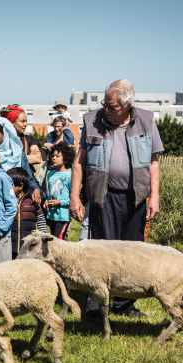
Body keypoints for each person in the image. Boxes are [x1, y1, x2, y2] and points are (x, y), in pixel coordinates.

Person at [70, 78, 164, 318]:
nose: (106, 109)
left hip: (136, 197)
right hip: (104, 195)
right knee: (101, 252)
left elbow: (154, 162)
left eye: (112, 106)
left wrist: (155, 197)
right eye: (105, 103)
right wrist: (75, 197)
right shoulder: (92, 121)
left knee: (131, 253)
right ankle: (94, 307)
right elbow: (79, 163)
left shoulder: (146, 120)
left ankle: (124, 305)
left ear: (128, 104)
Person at [0, 117, 44, 205]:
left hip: (19, 200)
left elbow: (28, 177)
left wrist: (36, 189)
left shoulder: (19, 154)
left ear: (5, 133)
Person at [7, 167, 47, 259]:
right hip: (10, 247)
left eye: (9, 184)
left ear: (20, 186)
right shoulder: (7, 201)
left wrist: (42, 236)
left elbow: (41, 219)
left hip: (28, 248)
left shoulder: (32, 201)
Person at [43, 142, 75, 240]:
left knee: (58, 241)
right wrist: (46, 202)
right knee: (53, 241)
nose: (53, 158)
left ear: (65, 158)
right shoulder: (49, 174)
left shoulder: (70, 175)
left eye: (57, 156)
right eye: (52, 155)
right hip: (52, 215)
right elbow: (49, 193)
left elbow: (73, 198)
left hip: (63, 216)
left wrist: (59, 202)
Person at [0, 104, 42, 170]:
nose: (25, 124)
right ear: (12, 123)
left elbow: (37, 158)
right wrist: (27, 158)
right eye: (22, 121)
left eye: (26, 121)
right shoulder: (2, 140)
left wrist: (10, 159)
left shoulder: (30, 139)